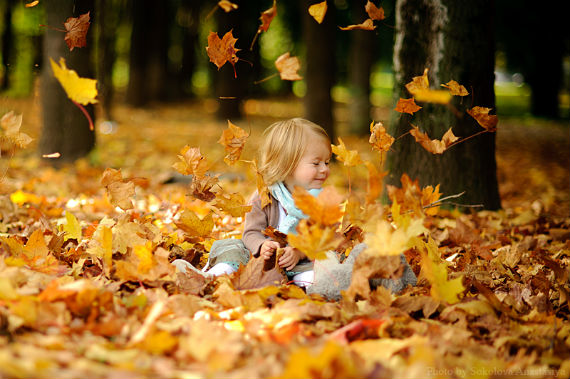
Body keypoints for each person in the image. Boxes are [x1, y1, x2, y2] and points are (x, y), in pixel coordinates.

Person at [173, 118, 417, 298]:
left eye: (327, 162)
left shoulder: (321, 201)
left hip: (304, 263)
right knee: (234, 248)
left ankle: (329, 285)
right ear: (287, 164)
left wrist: (300, 251)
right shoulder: (264, 197)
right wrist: (262, 246)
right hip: (262, 262)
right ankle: (213, 276)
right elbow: (250, 233)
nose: (325, 169)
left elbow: (324, 237)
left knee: (326, 266)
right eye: (316, 163)